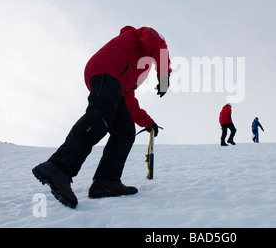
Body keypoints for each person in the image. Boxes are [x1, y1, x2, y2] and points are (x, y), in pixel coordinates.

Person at [32, 26, 172, 208]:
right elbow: (157, 44)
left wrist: (149, 123)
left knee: (125, 129)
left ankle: (106, 181)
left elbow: (129, 103)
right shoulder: (147, 35)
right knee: (100, 116)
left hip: (113, 77)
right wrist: (164, 76)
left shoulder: (129, 70)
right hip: (107, 68)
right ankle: (59, 166)